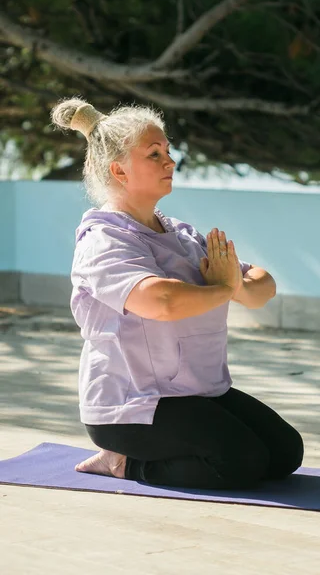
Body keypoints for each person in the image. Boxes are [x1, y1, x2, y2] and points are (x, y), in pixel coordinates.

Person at [51, 98, 304, 490]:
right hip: (131, 406)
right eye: (155, 154)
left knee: (286, 452)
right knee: (240, 462)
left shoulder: (183, 235)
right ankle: (123, 463)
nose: (170, 162)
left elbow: (262, 289)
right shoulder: (103, 239)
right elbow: (161, 301)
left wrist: (234, 285)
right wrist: (225, 288)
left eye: (168, 151)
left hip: (195, 391)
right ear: (119, 170)